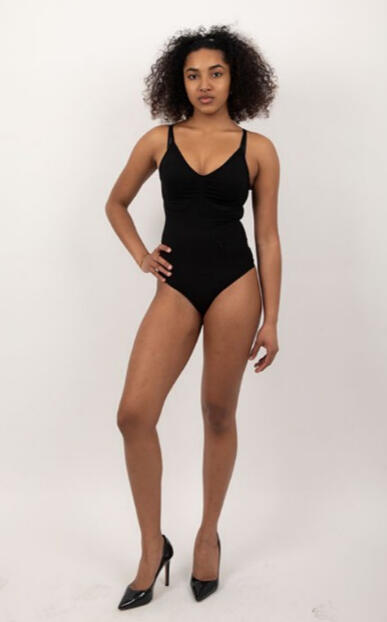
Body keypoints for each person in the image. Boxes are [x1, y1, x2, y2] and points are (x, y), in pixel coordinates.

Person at [105, 24, 281, 608]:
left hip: (236, 284)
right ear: (178, 82)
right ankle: (152, 547)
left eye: (216, 73)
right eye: (193, 75)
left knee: (218, 412)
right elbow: (116, 202)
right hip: (176, 286)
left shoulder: (258, 149)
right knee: (134, 414)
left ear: (235, 79)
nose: (204, 84)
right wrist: (141, 256)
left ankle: (208, 535)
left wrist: (272, 319)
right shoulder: (159, 140)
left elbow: (268, 237)